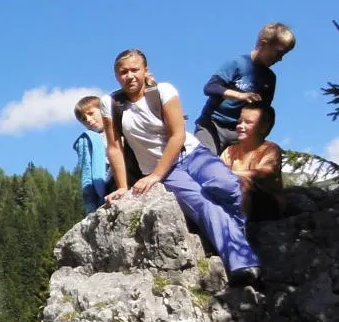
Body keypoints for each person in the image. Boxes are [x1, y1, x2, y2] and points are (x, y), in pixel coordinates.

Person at [103, 49, 261, 286]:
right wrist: (123, 186)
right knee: (203, 204)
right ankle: (244, 266)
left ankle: (236, 238)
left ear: (145, 71)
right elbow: (114, 148)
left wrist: (155, 175)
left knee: (228, 185)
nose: (129, 76)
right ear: (117, 75)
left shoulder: (163, 91)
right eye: (123, 72)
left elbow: (177, 135)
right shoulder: (111, 104)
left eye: (134, 70)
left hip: (191, 153)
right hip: (165, 170)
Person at [194, 22, 296, 154]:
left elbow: (263, 112)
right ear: (263, 44)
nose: (280, 59)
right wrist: (240, 95)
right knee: (204, 162)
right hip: (212, 125)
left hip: (239, 133)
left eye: (284, 55)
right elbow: (210, 87)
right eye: (278, 53)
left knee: (232, 172)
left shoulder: (270, 79)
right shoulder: (238, 64)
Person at [220, 103, 283, 221]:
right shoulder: (230, 150)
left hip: (266, 204)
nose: (240, 126)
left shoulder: (270, 149)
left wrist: (232, 174)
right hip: (235, 196)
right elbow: (219, 171)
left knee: (242, 182)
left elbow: (265, 172)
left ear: (263, 127)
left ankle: (241, 230)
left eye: (248, 122)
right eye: (239, 122)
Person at [72, 94, 111, 214]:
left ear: (103, 109)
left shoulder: (121, 127)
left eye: (91, 113)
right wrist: (91, 206)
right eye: (83, 119)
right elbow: (87, 171)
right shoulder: (89, 139)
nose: (88, 120)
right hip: (107, 187)